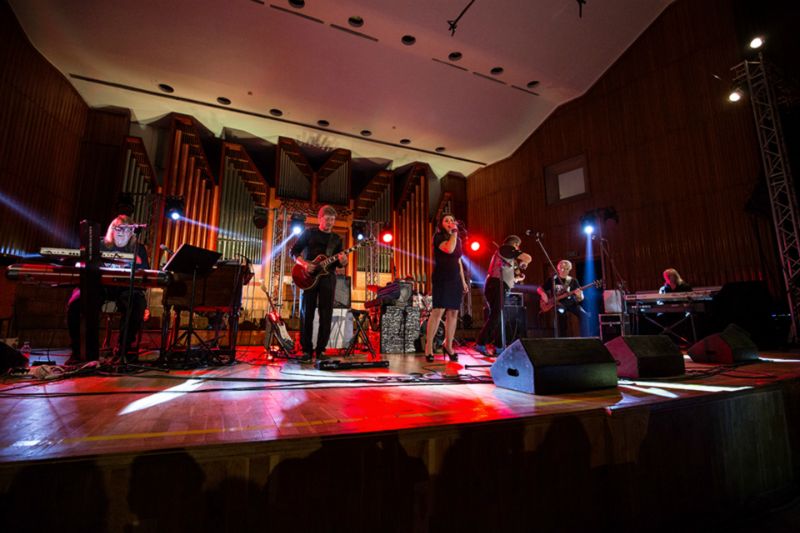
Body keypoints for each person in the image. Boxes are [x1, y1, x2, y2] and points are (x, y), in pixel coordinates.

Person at [66, 214, 149, 364]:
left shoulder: (139, 249)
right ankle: (80, 351)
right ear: (112, 229)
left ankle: (123, 351)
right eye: (118, 229)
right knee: (77, 301)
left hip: (125, 288)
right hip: (101, 286)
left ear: (132, 232)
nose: (122, 233)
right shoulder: (98, 244)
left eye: (126, 230)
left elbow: (143, 275)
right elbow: (82, 265)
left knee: (137, 303)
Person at [290, 205, 348, 362]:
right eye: (327, 219)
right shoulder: (309, 233)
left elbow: (339, 263)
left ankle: (321, 350)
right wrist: (304, 264)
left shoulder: (336, 239)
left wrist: (344, 261)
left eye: (332, 220)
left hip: (328, 278)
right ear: (320, 218)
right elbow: (293, 252)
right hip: (308, 277)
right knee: (306, 313)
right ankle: (306, 351)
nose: (330, 222)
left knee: (326, 314)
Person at [475, 235, 532, 357]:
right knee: (496, 315)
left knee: (499, 316)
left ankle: (499, 346)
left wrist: (517, 277)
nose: (518, 248)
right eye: (518, 246)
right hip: (496, 284)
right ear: (515, 244)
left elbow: (507, 274)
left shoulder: (507, 255)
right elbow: (528, 257)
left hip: (498, 285)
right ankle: (481, 343)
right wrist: (524, 262)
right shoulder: (506, 248)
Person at [425, 214, 469, 363]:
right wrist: (454, 233)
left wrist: (463, 281)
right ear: (441, 224)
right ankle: (429, 346)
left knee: (454, 312)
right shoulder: (438, 237)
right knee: (438, 311)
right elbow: (449, 249)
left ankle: (448, 345)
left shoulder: (458, 240)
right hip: (442, 277)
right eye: (447, 220)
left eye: (452, 220)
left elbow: (458, 261)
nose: (450, 222)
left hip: (455, 278)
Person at [537, 259, 588, 337]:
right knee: (561, 317)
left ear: (569, 269)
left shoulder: (573, 281)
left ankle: (585, 338)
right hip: (558, 304)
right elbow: (539, 289)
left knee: (584, 315)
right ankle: (563, 339)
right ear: (558, 268)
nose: (564, 270)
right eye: (562, 268)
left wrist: (579, 295)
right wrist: (543, 294)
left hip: (572, 304)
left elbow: (581, 298)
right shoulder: (553, 280)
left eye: (566, 269)